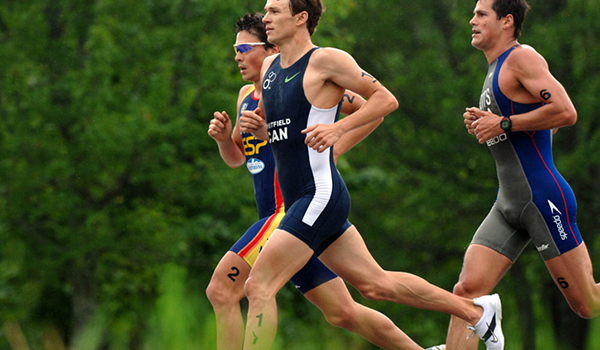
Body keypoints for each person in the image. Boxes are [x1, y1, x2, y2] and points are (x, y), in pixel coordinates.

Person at [239, 1, 504, 349]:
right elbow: (278, 137)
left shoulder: (326, 61)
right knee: (376, 285)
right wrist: (257, 129)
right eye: (266, 11)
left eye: (274, 11)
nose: (266, 18)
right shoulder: (271, 67)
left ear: (301, 18)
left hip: (318, 195)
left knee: (258, 286)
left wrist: (339, 131)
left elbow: (385, 100)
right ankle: (476, 312)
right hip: (304, 199)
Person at [207, 12, 445, 350]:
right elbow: (238, 158)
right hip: (285, 217)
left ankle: (471, 309)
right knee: (344, 312)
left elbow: (371, 109)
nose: (237, 56)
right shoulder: (247, 95)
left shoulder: (302, 82)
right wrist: (222, 141)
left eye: (244, 49)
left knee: (223, 289)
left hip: (288, 213)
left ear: (271, 47)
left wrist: (336, 144)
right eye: (235, 49)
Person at [445, 0, 600, 349]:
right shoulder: (494, 68)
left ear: (507, 21)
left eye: (481, 14)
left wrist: (503, 122)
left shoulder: (521, 57)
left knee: (587, 304)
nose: (472, 20)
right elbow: (545, 127)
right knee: (466, 291)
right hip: (507, 204)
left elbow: (565, 112)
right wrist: (489, 125)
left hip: (543, 200)